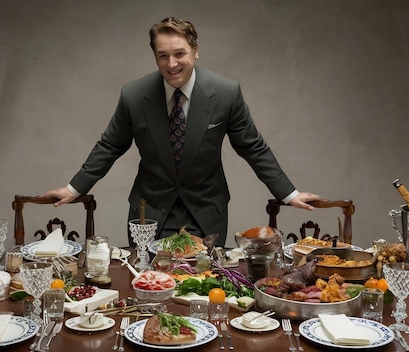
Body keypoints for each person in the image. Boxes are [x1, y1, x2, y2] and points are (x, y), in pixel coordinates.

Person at [42, 17, 321, 247]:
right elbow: (110, 145)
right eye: (163, 56)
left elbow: (252, 146)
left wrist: (289, 193)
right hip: (148, 212)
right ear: (155, 56)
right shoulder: (134, 95)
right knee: (150, 287)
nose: (172, 64)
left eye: (179, 54)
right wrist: (74, 187)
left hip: (205, 211)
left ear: (195, 51)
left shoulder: (225, 93)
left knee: (200, 288)